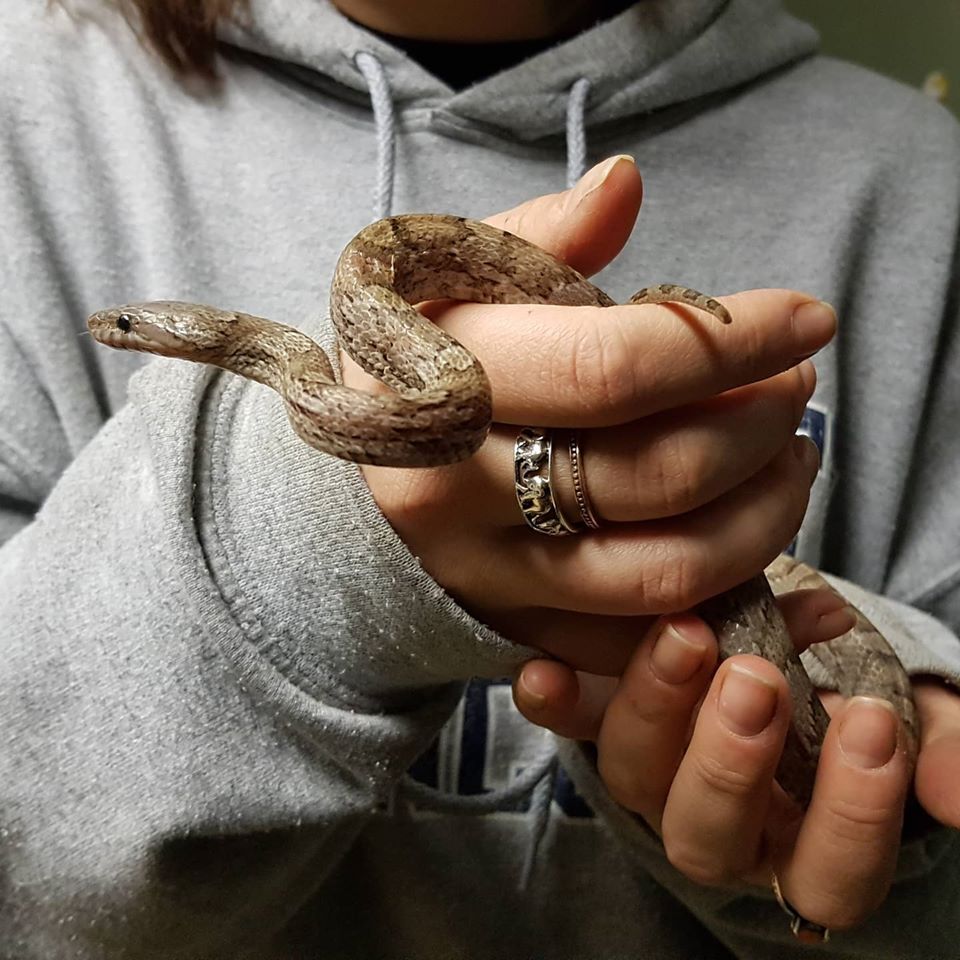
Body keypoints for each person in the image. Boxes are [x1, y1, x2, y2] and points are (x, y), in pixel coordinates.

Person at [1, 0, 958, 956]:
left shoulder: (918, 173)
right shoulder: (30, 103)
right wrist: (288, 530)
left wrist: (911, 836)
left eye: (133, 329)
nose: (121, 334)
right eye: (133, 332)